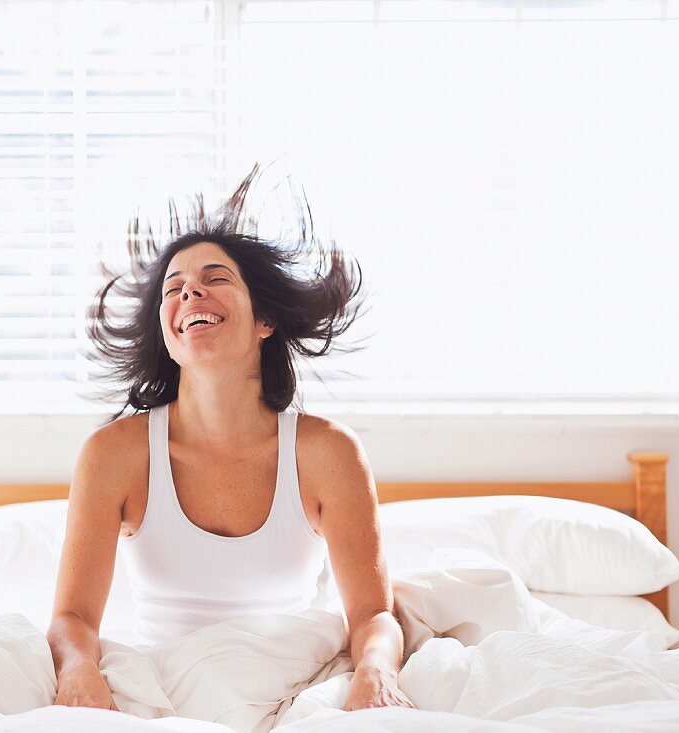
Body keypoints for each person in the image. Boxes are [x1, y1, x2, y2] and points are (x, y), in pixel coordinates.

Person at [45, 165, 414, 714]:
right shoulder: (115, 455)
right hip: (165, 689)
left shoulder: (328, 453)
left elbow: (372, 617)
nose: (191, 289)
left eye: (215, 278)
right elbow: (72, 619)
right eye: (175, 288)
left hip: (292, 684)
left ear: (264, 319)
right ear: (168, 334)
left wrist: (376, 671)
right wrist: (79, 672)